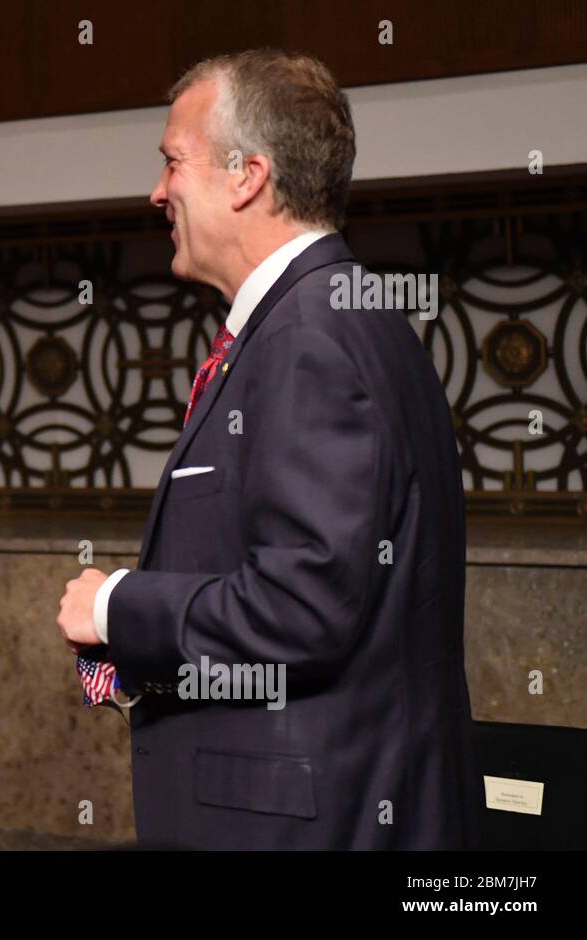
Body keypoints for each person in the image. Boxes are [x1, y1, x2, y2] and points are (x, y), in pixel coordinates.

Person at [56, 51, 479, 849]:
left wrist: (115, 604)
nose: (157, 191)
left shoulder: (311, 335)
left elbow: (303, 605)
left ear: (246, 176)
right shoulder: (337, 313)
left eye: (171, 161)